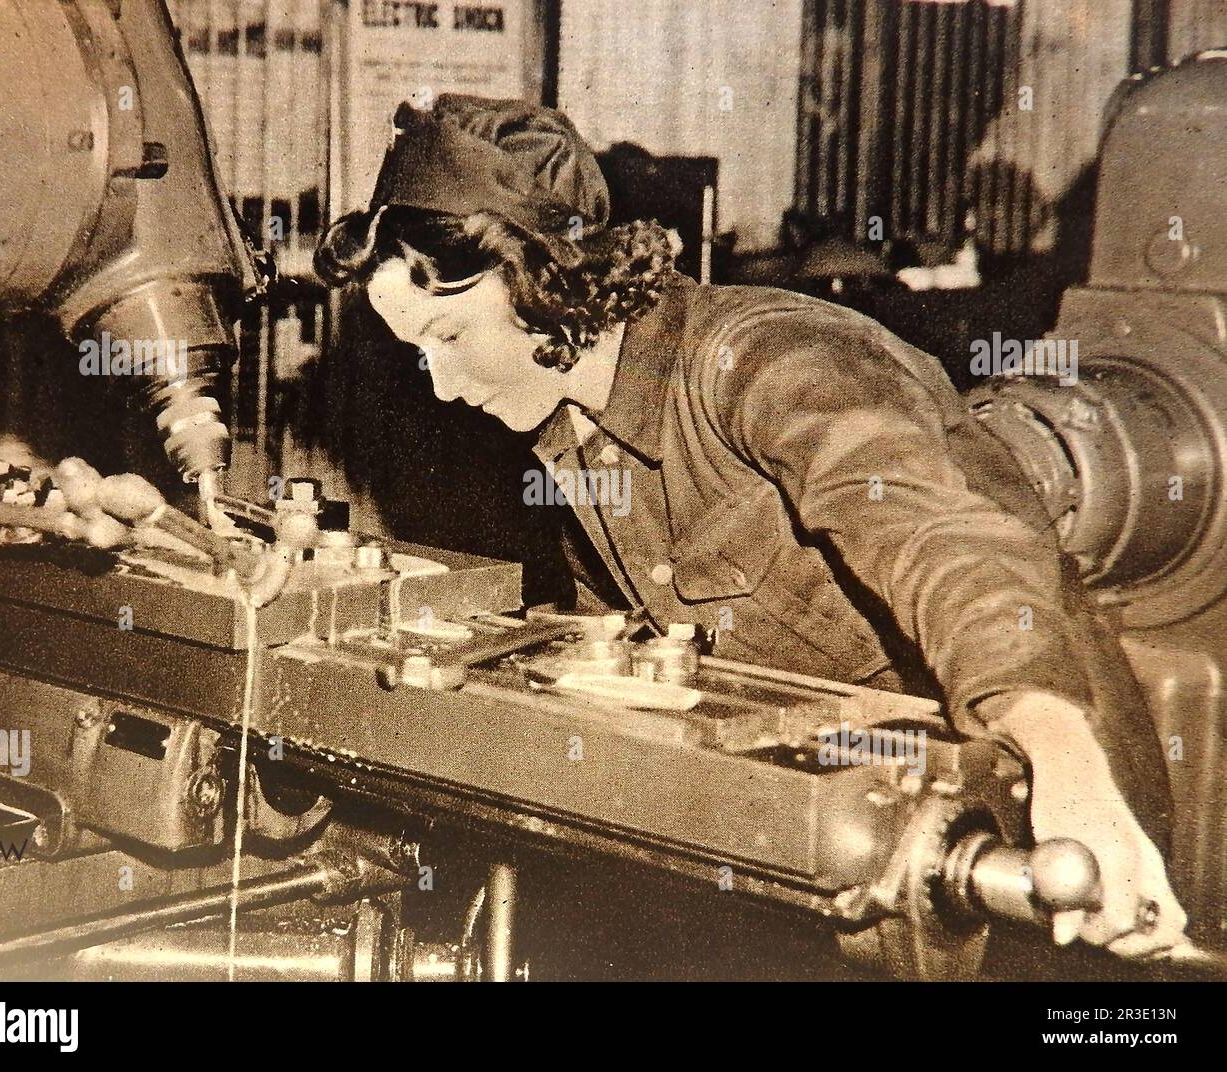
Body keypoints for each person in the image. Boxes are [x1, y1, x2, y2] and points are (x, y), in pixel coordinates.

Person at [315, 94, 1188, 960]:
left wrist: (1063, 758)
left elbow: (947, 544)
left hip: (1031, 803)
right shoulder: (568, 431)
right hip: (850, 811)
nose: (439, 384)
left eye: (447, 336)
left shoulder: (766, 360)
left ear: (540, 280)